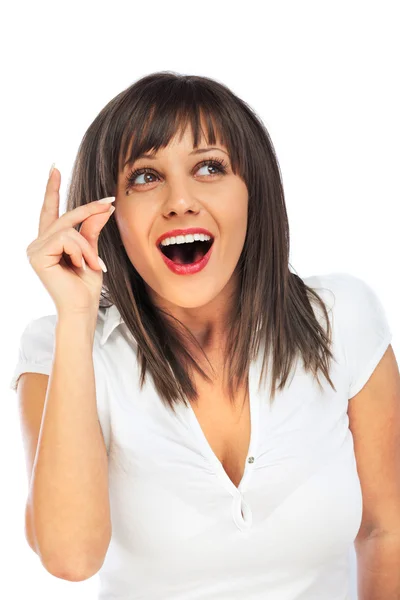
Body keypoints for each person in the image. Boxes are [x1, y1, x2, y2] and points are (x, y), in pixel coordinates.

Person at [10, 71, 397, 599]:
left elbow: (386, 529)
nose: (180, 201)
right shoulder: (60, 347)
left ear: (252, 193)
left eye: (209, 167)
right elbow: (71, 559)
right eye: (145, 177)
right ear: (107, 212)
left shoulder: (341, 318)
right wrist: (77, 320)